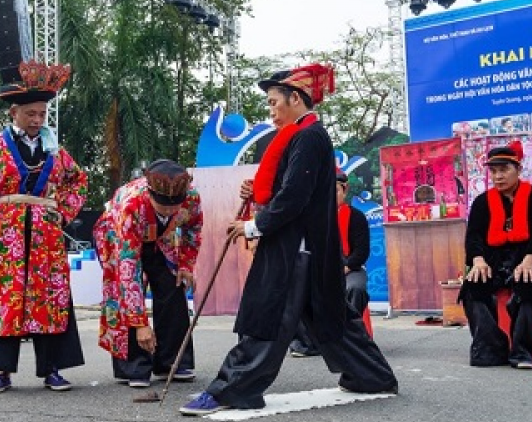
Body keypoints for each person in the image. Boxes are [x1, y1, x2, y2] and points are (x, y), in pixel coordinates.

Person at [180, 64, 397, 416]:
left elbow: (295, 196)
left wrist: (254, 225)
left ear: (295, 98)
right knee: (332, 317)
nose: (271, 111)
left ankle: (234, 389)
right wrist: (261, 196)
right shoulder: (304, 136)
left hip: (295, 248)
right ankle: (372, 375)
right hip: (305, 247)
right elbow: (294, 190)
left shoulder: (309, 137)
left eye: (273, 102)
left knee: (268, 316)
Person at [0, 59, 87, 393]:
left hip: (46, 235)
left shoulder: (55, 151)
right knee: (6, 298)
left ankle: (52, 370)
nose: (37, 120)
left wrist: (63, 211)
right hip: (7, 236)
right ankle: (2, 372)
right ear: (13, 113)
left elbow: (79, 181)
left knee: (49, 298)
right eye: (31, 114)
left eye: (42, 115)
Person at [93, 159, 203, 388]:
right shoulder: (132, 204)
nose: (171, 211)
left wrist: (185, 265)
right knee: (123, 295)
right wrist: (140, 323)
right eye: (164, 207)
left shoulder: (191, 197)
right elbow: (128, 269)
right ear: (150, 194)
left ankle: (172, 361)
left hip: (161, 240)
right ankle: (134, 366)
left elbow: (193, 229)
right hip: (118, 239)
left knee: (173, 285)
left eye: (175, 207)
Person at [460, 140, 532, 369]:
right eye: (494, 171)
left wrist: (529, 262)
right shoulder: (483, 201)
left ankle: (522, 351)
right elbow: (473, 237)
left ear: (519, 169)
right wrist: (478, 262)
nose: (498, 176)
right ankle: (491, 347)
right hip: (493, 260)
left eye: (504, 170)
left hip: (526, 257)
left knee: (529, 282)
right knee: (473, 286)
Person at [289, 168, 371, 358]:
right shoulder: (313, 217)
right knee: (297, 290)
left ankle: (347, 338)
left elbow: (362, 251)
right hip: (320, 268)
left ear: (345, 190)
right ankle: (307, 343)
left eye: (335, 190)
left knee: (356, 289)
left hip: (350, 268)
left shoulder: (356, 217)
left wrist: (346, 267)